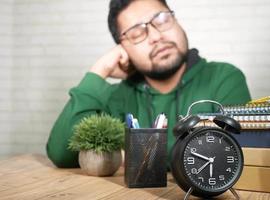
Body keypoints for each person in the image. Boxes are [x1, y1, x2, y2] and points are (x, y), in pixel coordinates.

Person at [46, 0, 251, 168]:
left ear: (176, 20)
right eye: (136, 33)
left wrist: (130, 157)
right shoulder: (118, 96)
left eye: (161, 20)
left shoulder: (223, 78)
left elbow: (235, 156)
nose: (155, 36)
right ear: (122, 48)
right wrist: (99, 72)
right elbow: (62, 154)